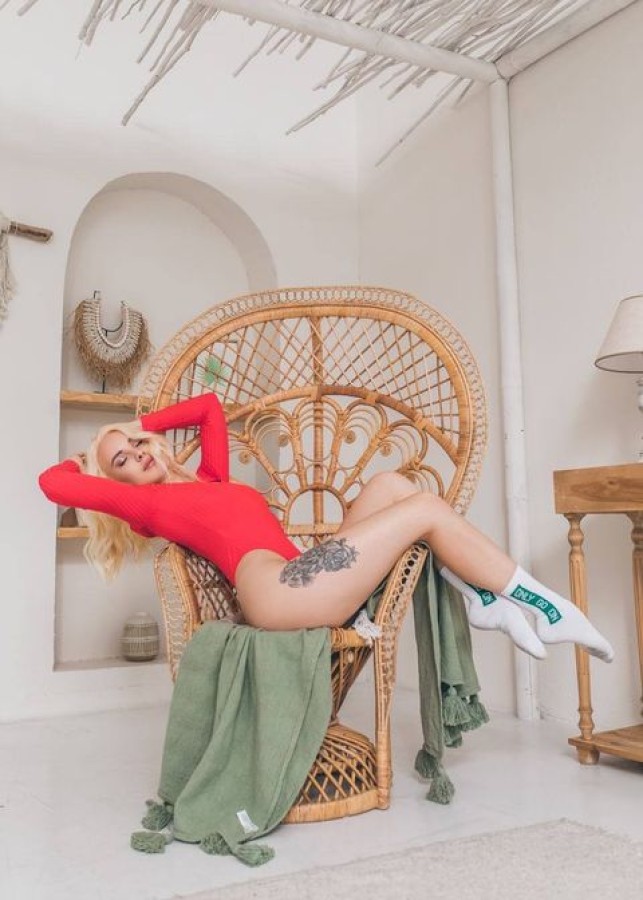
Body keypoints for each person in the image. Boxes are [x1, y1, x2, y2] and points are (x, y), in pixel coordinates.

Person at [39, 393, 614, 663]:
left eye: (137, 443)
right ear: (117, 484)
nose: (137, 452)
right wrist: (89, 460)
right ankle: (547, 607)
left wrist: (134, 423)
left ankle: (482, 596)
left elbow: (210, 407)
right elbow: (52, 482)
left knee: (390, 485)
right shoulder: (144, 508)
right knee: (424, 510)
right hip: (277, 591)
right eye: (122, 460)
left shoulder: (209, 480)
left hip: (305, 571)